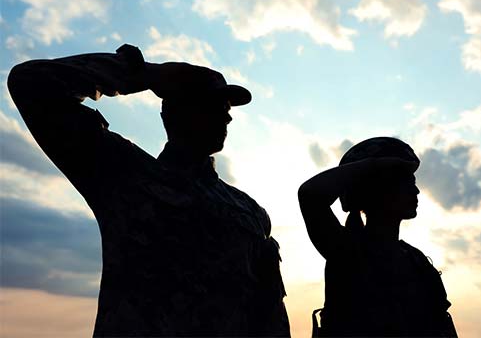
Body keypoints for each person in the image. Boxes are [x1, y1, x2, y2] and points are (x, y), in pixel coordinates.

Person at [8, 44, 290, 337]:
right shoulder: (124, 177)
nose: (227, 117)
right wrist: (141, 74)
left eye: (227, 109)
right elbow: (31, 82)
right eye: (214, 106)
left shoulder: (250, 211)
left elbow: (268, 313)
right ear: (177, 112)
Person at [298, 137, 457, 337]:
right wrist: (374, 166)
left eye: (413, 182)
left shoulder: (417, 262)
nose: (415, 190)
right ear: (373, 190)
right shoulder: (347, 251)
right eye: (404, 182)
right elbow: (310, 195)